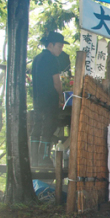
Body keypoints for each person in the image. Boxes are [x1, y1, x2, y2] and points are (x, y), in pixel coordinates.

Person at [30, 31, 68, 167]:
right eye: (59, 46)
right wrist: (60, 96)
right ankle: (44, 158)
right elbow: (56, 81)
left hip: (37, 99)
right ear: (50, 45)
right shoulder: (52, 59)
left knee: (37, 126)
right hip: (49, 98)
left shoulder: (37, 58)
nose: (61, 49)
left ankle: (34, 159)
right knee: (48, 127)